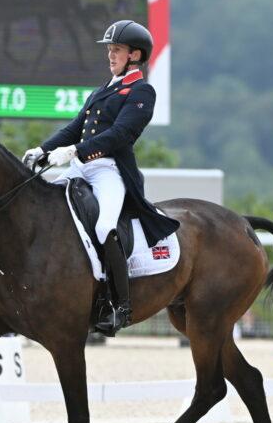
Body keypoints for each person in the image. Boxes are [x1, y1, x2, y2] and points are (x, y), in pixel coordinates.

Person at [21, 20, 179, 336]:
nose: (110, 55)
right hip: (80, 167)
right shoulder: (102, 90)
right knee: (42, 212)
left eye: (116, 50)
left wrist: (74, 151)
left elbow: (121, 134)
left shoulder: (141, 91)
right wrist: (44, 148)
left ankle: (119, 305)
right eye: (109, 49)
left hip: (109, 170)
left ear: (135, 55)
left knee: (106, 225)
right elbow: (74, 126)